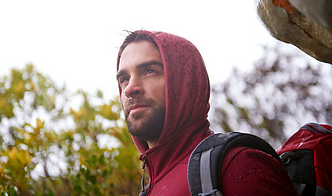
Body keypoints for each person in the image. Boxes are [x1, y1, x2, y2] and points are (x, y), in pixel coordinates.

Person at [116, 30, 297, 196]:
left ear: (184, 82)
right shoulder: (149, 190)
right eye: (124, 79)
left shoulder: (236, 165)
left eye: (149, 71)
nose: (130, 88)